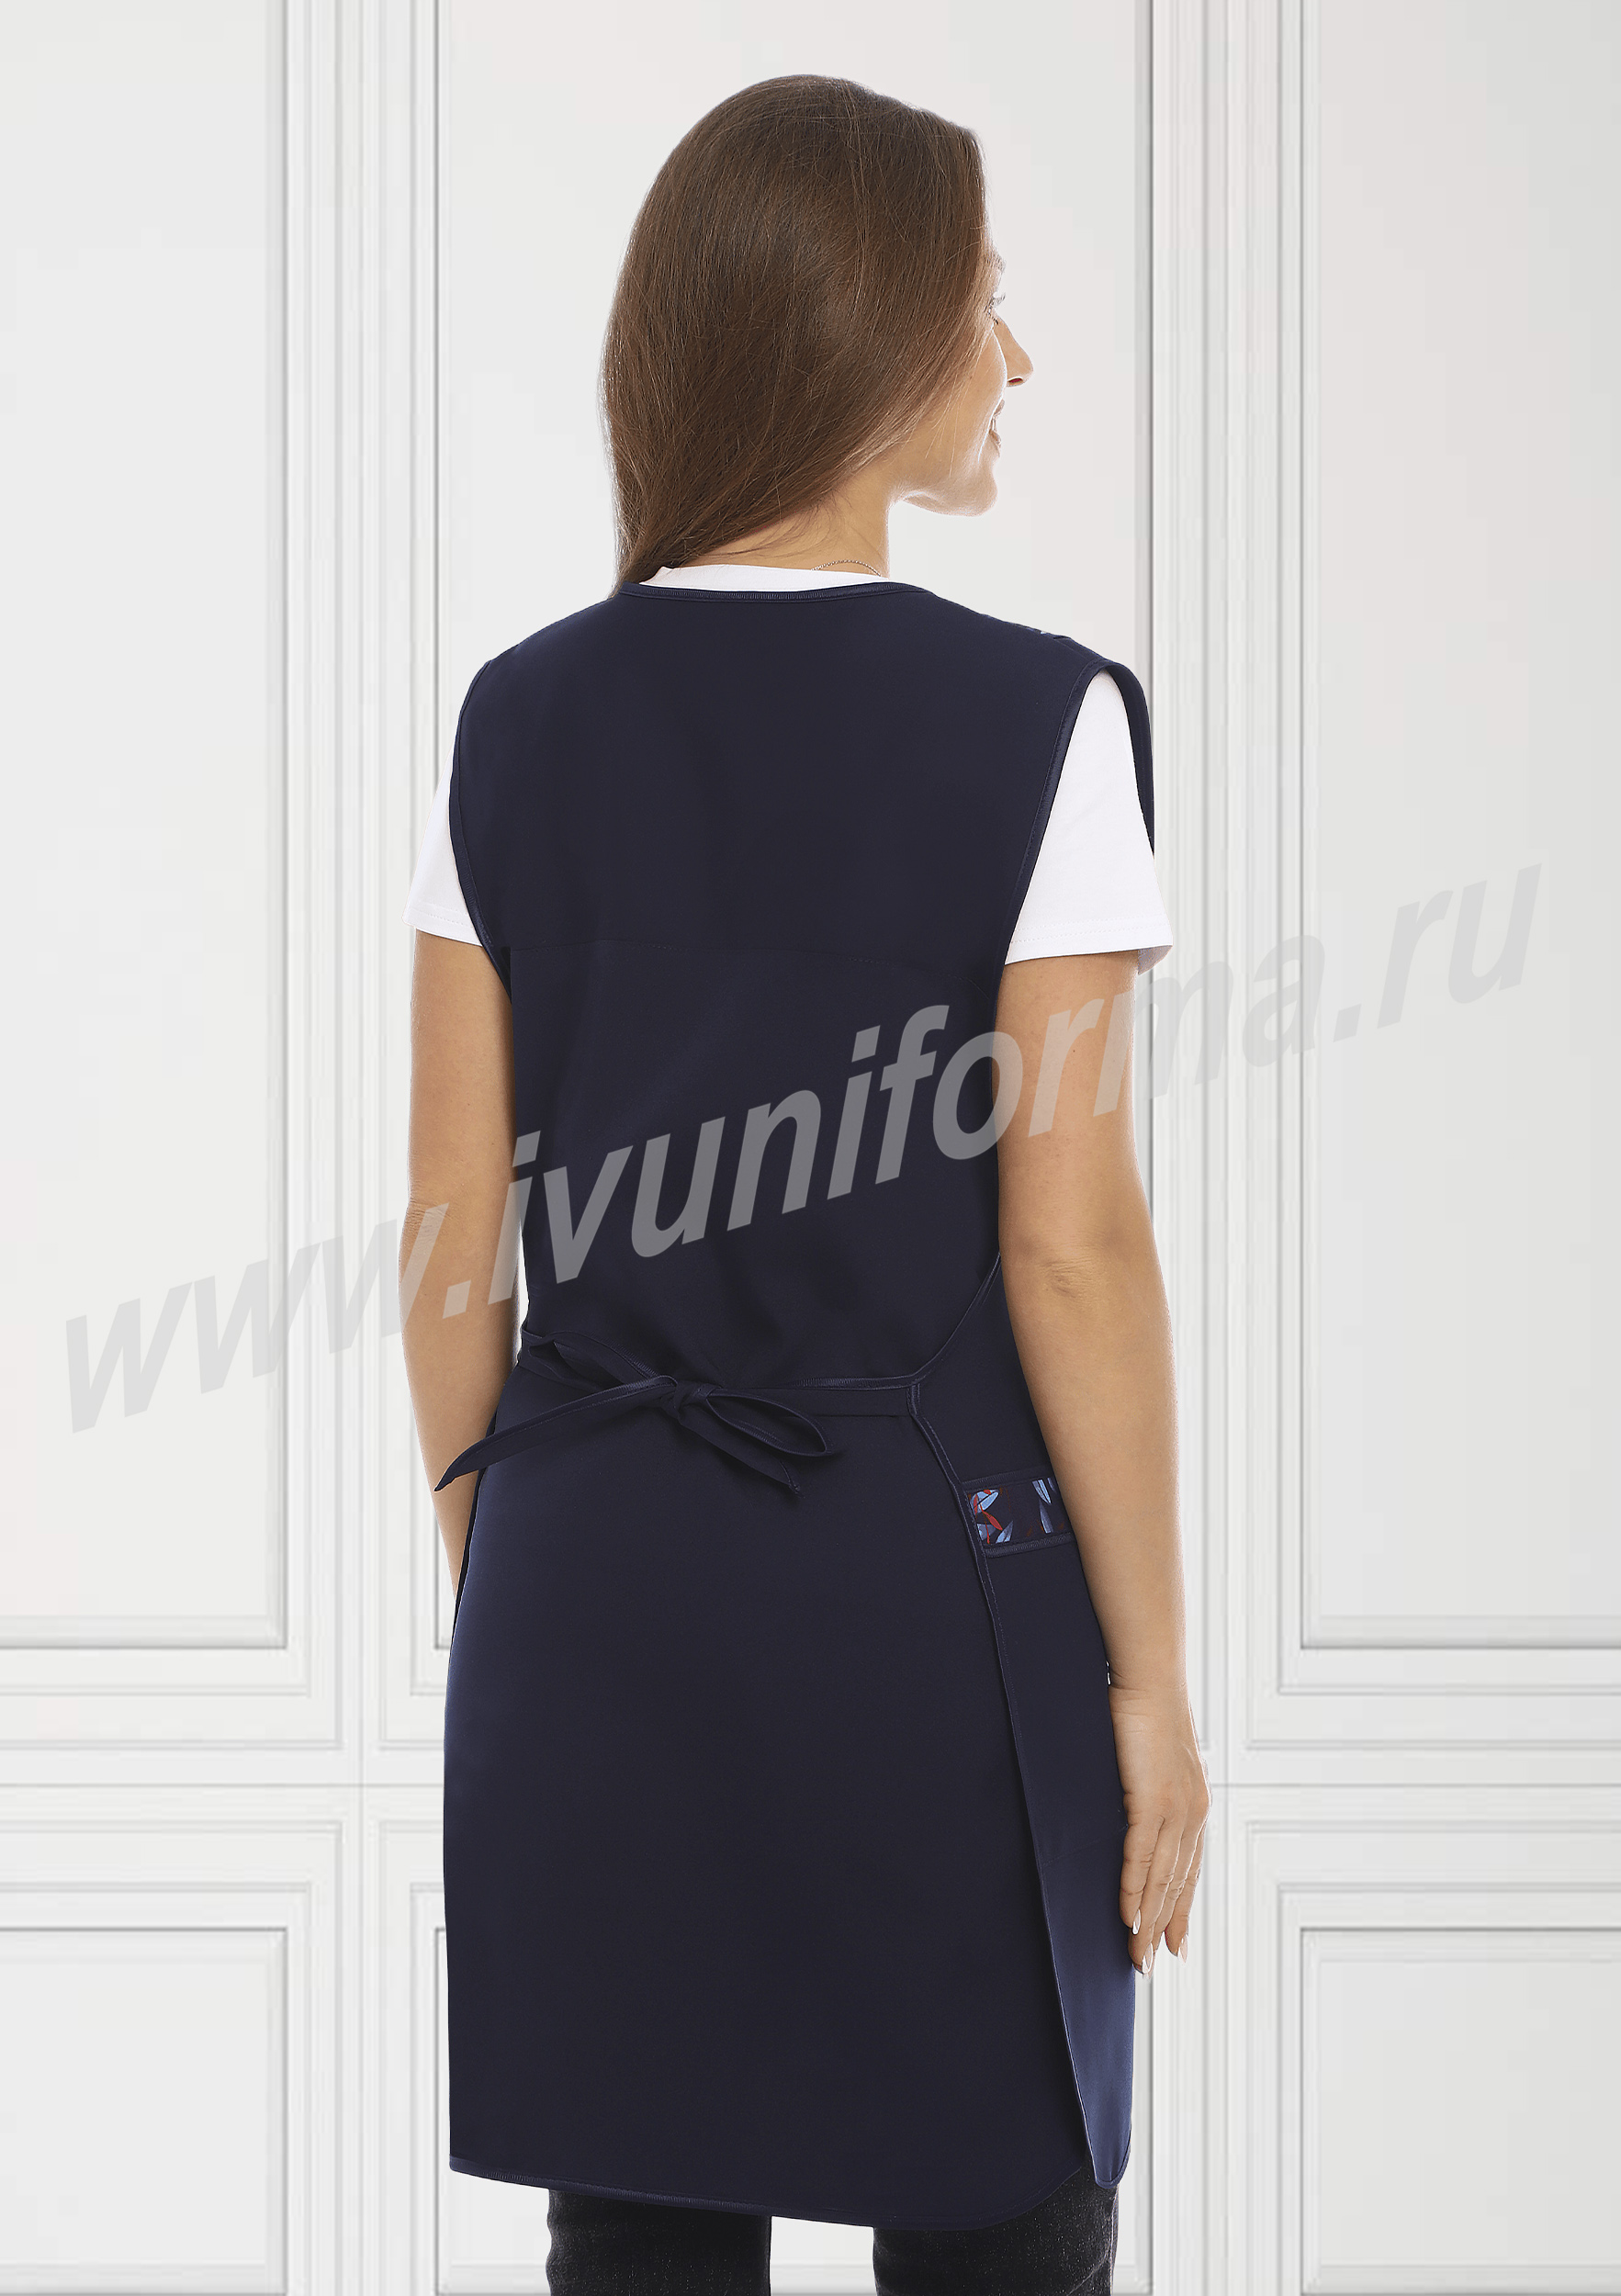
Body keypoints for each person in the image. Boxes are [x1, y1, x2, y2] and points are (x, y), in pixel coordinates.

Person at [400, 72, 1208, 2296]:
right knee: (999, 2218)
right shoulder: (1043, 724)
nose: (1014, 357)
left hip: (585, 1593)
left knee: (638, 2229)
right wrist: (1149, 1678)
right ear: (861, 331)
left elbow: (451, 1245)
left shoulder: (513, 720)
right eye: (984, 303)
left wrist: (519, 1569)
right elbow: (1070, 1248)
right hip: (930, 1601)